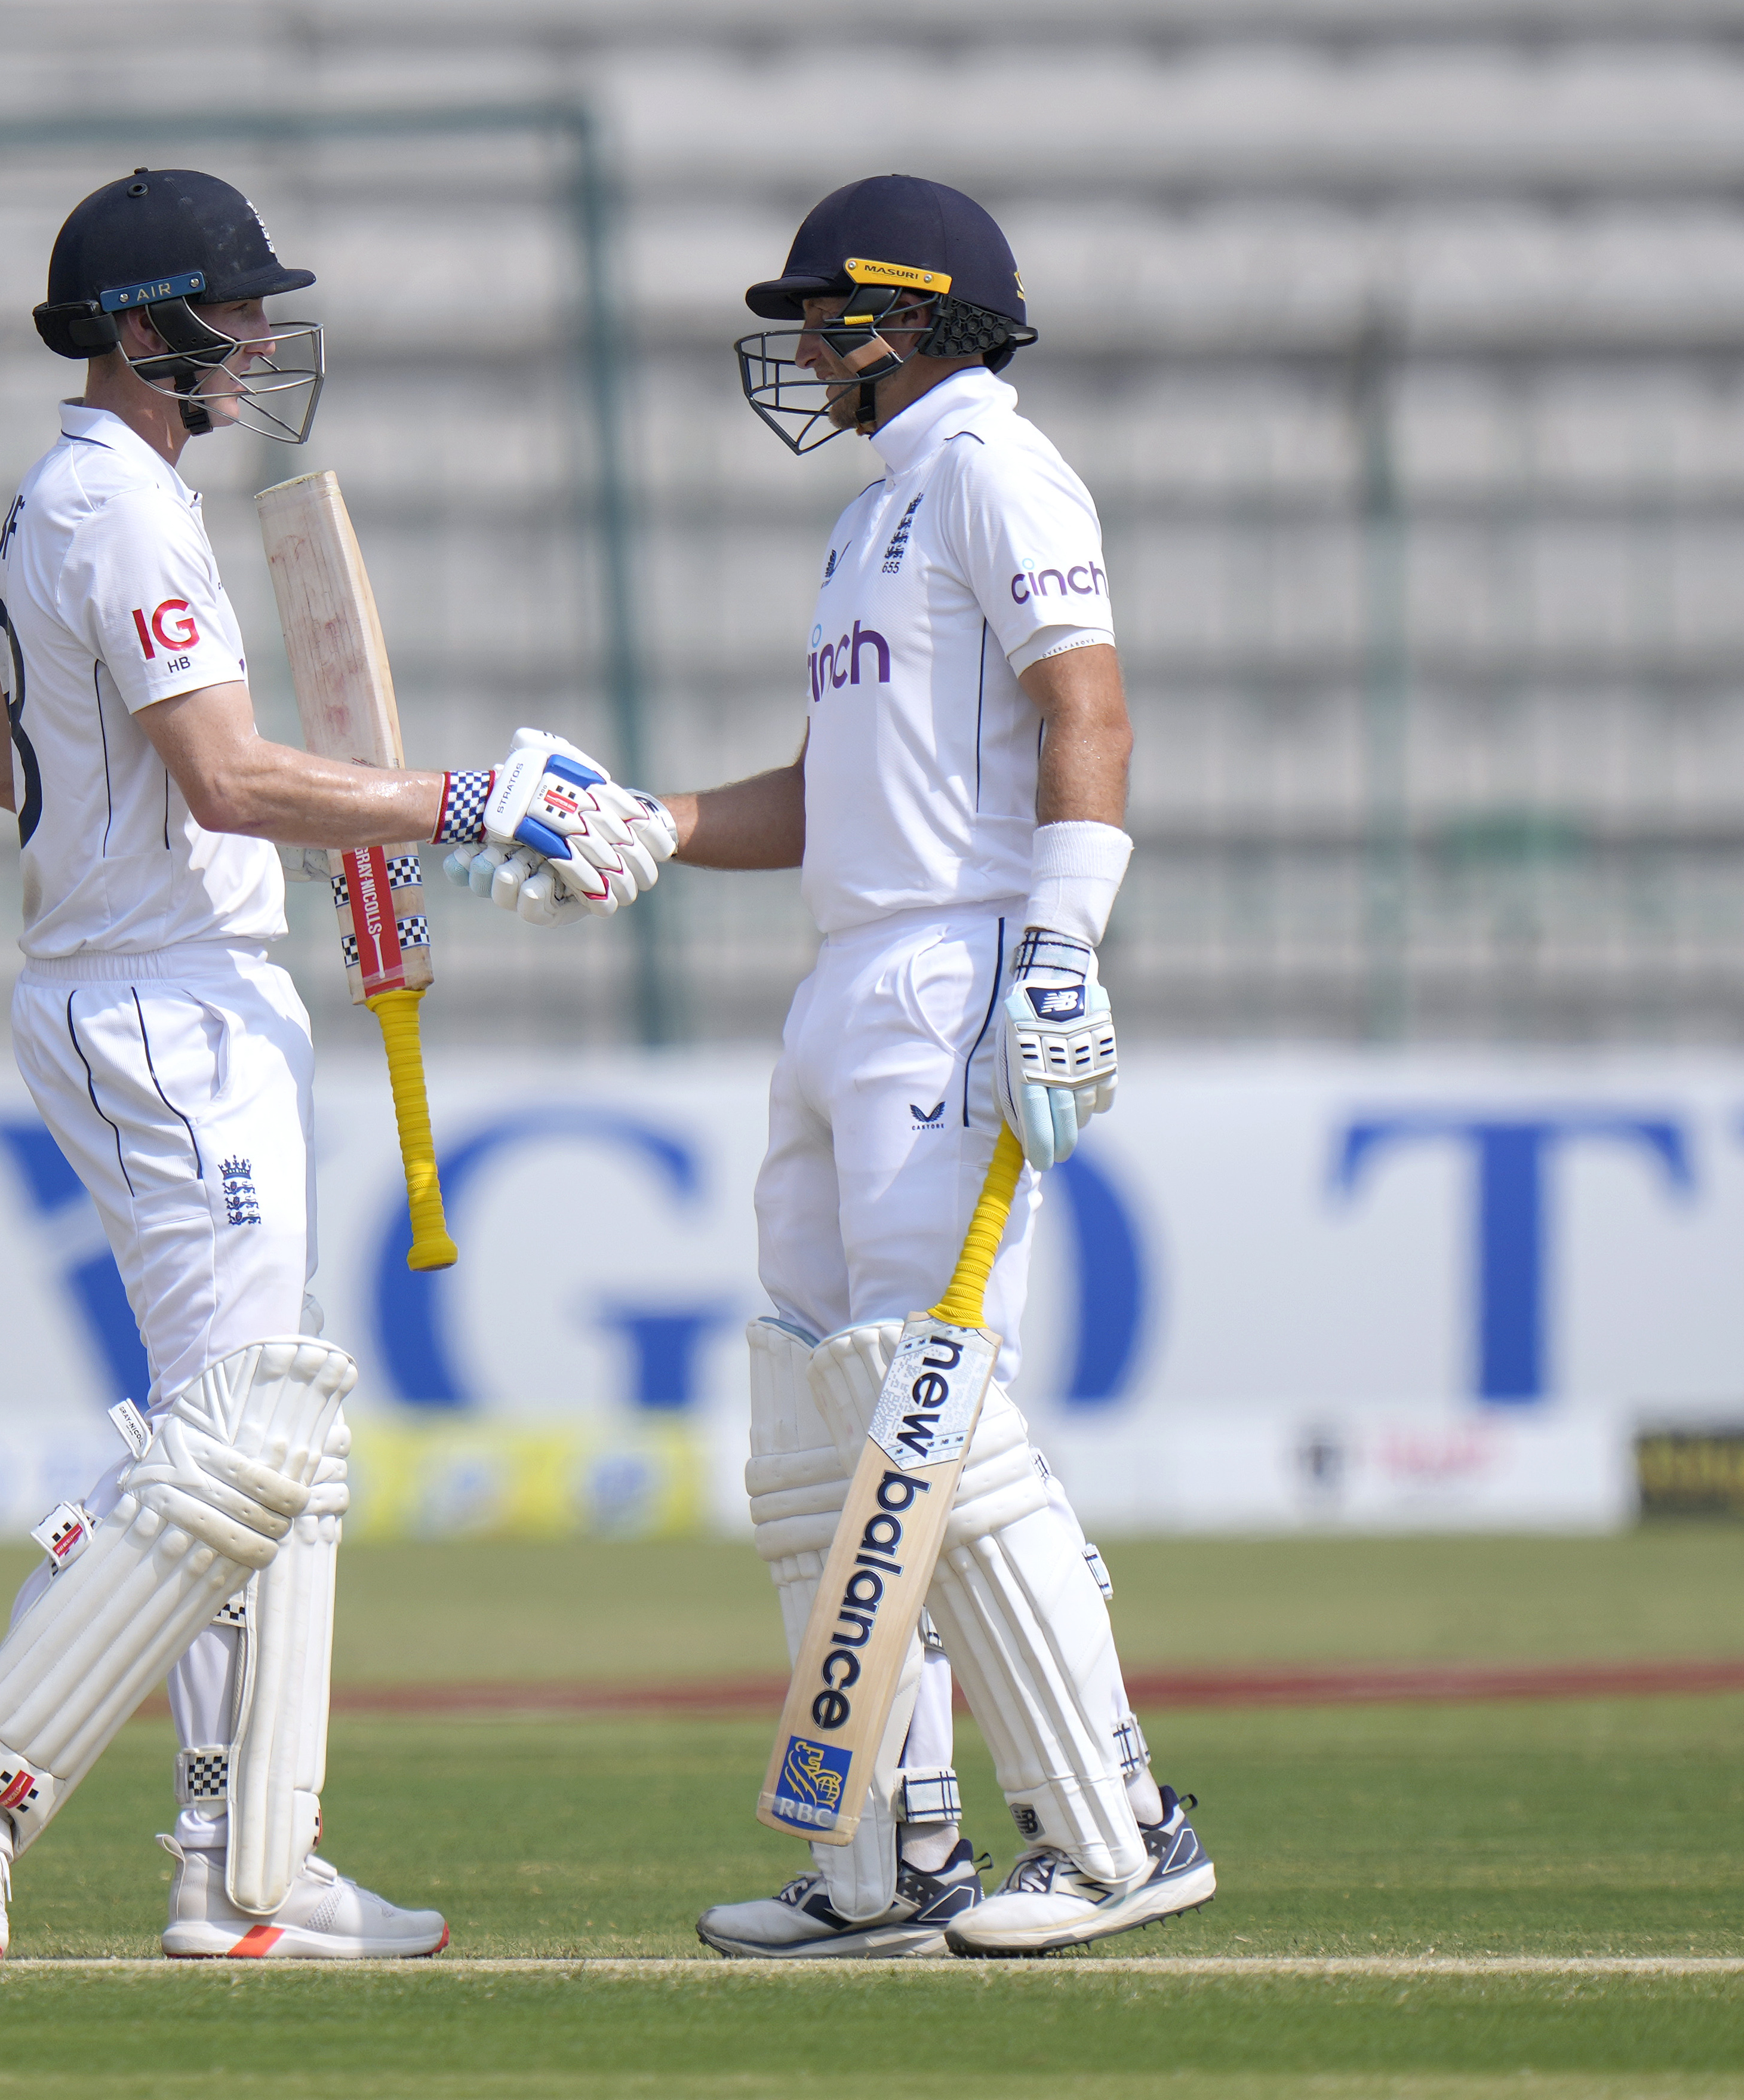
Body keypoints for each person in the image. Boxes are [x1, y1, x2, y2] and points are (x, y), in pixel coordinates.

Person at [0, 167, 674, 1963]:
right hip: (164, 1006)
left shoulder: (59, 504)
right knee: (234, 1452)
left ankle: (247, 1864)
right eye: (230, 314)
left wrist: (333, 832)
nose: (255, 340)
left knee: (264, 1448)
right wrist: (454, 799)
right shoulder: (127, 515)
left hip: (141, 983)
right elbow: (228, 777)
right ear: (148, 329)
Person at [454, 173, 1215, 1958]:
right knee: (815, 1426)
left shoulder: (993, 466)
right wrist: (644, 827)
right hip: (848, 978)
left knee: (927, 1410)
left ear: (920, 318)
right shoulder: (872, 516)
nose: (800, 349)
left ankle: (1118, 1830)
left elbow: (1084, 708)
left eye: (826, 318)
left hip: (955, 969)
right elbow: (828, 798)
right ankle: (888, 1860)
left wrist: (1058, 949)